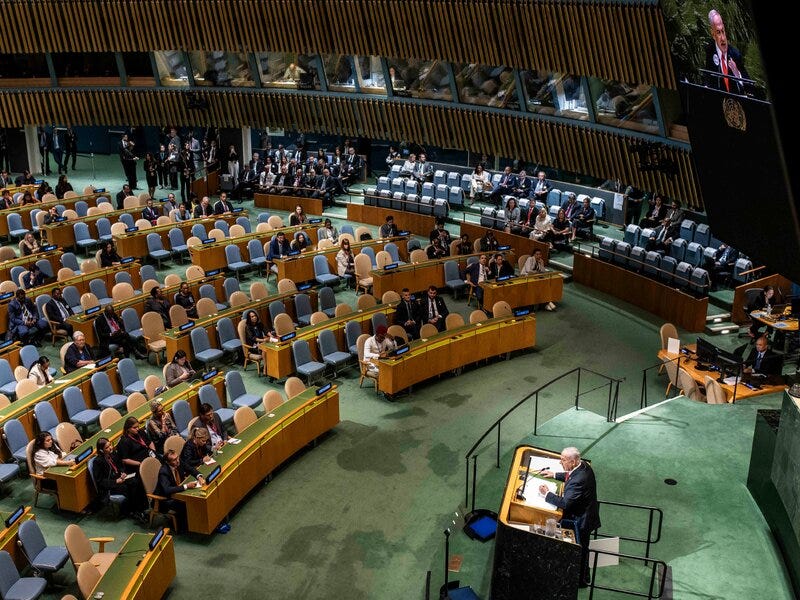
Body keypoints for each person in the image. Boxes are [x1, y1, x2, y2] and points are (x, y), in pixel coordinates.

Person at [538, 447, 600, 588]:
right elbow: (571, 475)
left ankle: (582, 581)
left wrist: (547, 494)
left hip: (581, 522)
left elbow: (565, 503)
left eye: (563, 460)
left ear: (573, 461)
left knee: (580, 550)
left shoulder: (579, 480)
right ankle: (581, 576)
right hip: (586, 515)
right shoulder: (583, 466)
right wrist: (555, 474)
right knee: (582, 548)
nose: (560, 462)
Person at [92, 437, 147, 521]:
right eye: (107, 447)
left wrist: (122, 473)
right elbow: (100, 481)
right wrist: (116, 481)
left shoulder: (113, 454)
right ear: (101, 450)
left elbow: (120, 466)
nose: (110, 448)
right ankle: (134, 512)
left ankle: (142, 508)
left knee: (136, 482)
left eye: (110, 445)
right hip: (110, 486)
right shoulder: (98, 462)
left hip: (120, 479)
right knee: (129, 488)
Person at [156, 449, 205, 532]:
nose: (177, 461)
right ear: (168, 462)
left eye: (177, 458)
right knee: (185, 504)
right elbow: (167, 490)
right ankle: (184, 528)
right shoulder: (163, 472)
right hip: (166, 499)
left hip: (179, 491)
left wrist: (199, 476)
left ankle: (197, 523)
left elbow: (190, 469)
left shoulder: (178, 462)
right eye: (174, 460)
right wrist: (186, 486)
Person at [704, 9, 750, 94]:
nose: (722, 38)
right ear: (713, 34)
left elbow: (749, 86)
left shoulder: (735, 54)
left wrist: (737, 74)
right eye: (718, 32)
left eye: (723, 31)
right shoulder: (709, 51)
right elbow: (706, 80)